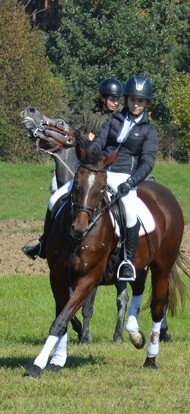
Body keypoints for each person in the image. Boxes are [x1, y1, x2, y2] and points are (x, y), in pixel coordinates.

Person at [22, 78, 124, 260]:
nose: (116, 102)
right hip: (87, 168)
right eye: (112, 99)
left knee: (120, 204)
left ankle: (124, 248)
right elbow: (75, 132)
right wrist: (83, 135)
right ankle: (44, 244)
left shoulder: (118, 119)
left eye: (117, 99)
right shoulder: (89, 116)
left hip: (107, 167)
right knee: (54, 199)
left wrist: (97, 140)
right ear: (103, 98)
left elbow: (117, 141)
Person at [83, 75, 159, 280]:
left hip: (126, 176)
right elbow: (99, 142)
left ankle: (127, 261)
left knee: (130, 211)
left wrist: (132, 182)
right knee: (62, 194)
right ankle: (45, 242)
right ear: (127, 99)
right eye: (133, 100)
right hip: (102, 172)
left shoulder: (148, 130)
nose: (136, 104)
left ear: (146, 103)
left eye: (140, 101)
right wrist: (90, 154)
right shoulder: (113, 120)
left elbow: (148, 162)